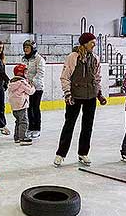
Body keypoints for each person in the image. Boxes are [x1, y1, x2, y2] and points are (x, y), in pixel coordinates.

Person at [54, 32, 105, 167]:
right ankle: (60, 154)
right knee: (69, 125)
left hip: (91, 96)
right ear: (84, 43)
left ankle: (83, 153)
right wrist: (67, 94)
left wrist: (99, 93)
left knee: (87, 126)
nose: (94, 45)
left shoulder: (95, 58)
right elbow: (65, 77)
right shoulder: (73, 57)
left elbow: (97, 78)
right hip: (75, 96)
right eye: (92, 42)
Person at [22, 40, 45, 139]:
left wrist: (32, 82)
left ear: (33, 48)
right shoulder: (24, 59)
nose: (26, 49)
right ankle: (30, 127)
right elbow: (23, 71)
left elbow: (40, 73)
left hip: (37, 87)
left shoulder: (39, 59)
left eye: (28, 47)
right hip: (27, 87)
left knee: (35, 107)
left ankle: (37, 128)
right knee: (28, 108)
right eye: (25, 47)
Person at [8, 64, 35, 146]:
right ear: (21, 73)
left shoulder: (12, 83)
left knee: (18, 121)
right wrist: (32, 86)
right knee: (23, 122)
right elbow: (30, 91)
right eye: (25, 72)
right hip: (22, 105)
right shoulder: (22, 82)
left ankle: (17, 137)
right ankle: (22, 138)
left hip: (14, 107)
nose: (26, 74)